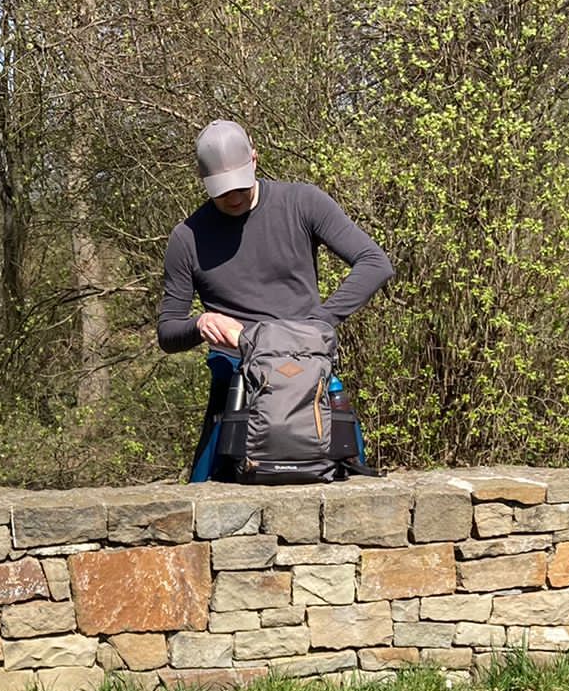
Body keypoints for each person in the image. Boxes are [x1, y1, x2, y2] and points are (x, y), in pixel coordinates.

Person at [157, 118, 394, 478]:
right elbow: (168, 332)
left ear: (254, 159)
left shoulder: (302, 202)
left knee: (347, 501)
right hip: (236, 392)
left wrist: (315, 326)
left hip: (309, 384)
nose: (233, 197)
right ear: (202, 180)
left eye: (240, 186)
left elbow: (375, 263)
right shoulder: (187, 238)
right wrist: (200, 323)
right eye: (222, 191)